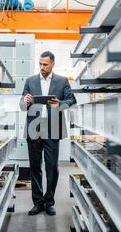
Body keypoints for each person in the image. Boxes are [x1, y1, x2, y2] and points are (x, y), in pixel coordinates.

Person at [19, 51, 77, 216]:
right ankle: (37, 203)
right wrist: (25, 101)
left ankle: (49, 202)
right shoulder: (30, 81)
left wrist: (60, 104)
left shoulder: (62, 81)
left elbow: (72, 100)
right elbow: (22, 105)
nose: (42, 67)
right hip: (33, 129)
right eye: (40, 64)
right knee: (35, 167)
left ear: (52, 64)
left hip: (53, 128)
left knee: (52, 167)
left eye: (45, 64)